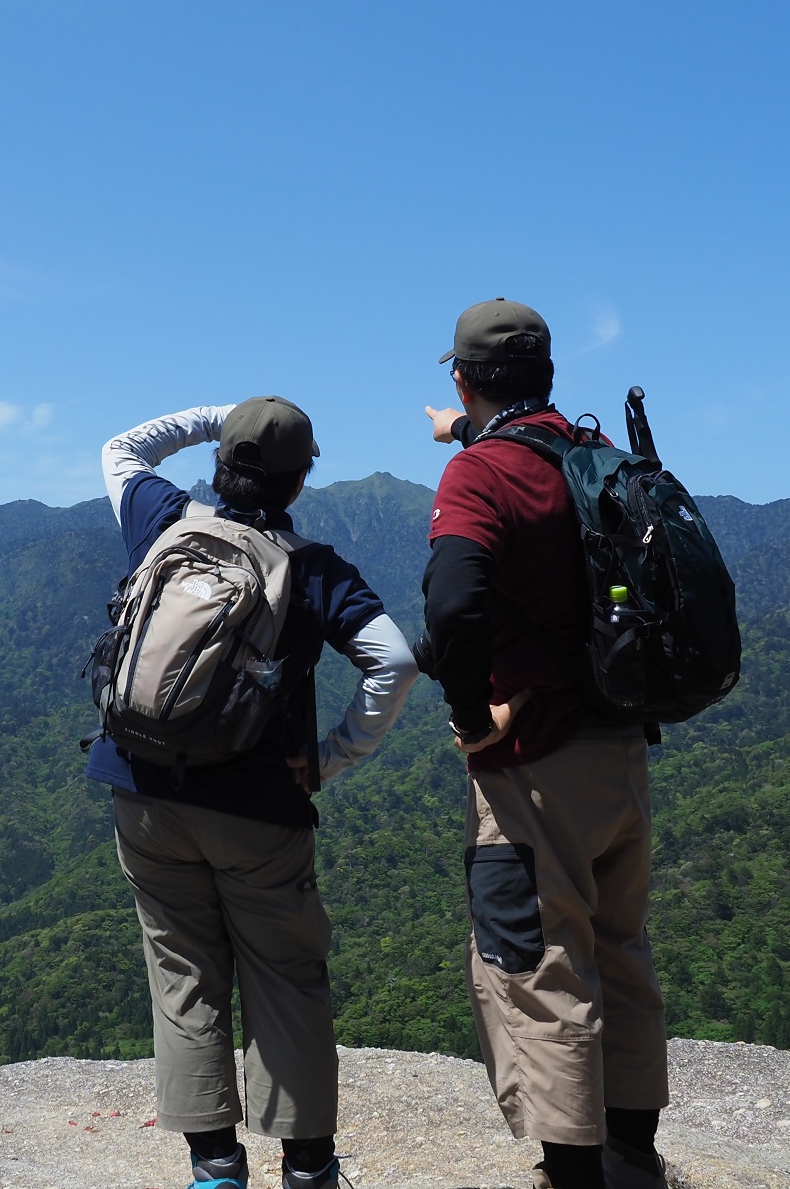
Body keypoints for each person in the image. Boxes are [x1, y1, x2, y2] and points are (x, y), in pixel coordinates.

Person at [92, 396, 419, 1189]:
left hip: (140, 789)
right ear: (300, 480)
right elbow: (395, 662)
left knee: (182, 976)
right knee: (285, 977)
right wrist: (334, 756)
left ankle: (214, 1169)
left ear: (221, 464)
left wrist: (220, 414)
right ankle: (306, 1169)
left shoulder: (165, 521)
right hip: (258, 808)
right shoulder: (312, 571)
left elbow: (123, 447)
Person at [416, 299, 671, 1189]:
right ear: (548, 375)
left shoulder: (479, 479)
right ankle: (633, 1159)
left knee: (538, 964)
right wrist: (465, 434)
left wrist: (470, 716)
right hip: (621, 748)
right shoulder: (596, 457)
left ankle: (572, 1178)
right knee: (619, 947)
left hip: (534, 766)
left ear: (461, 377)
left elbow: (454, 607)